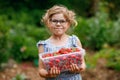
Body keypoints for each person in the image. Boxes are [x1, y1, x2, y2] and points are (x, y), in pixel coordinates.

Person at [37, 5, 86, 80]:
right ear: (48, 23)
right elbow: (41, 70)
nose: (58, 24)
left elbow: (83, 65)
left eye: (62, 21)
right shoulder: (43, 45)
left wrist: (78, 69)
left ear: (68, 23)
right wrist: (49, 74)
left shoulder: (74, 41)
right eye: (54, 21)